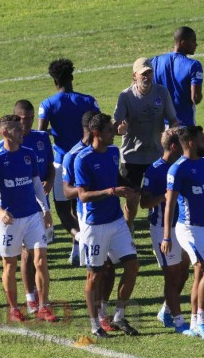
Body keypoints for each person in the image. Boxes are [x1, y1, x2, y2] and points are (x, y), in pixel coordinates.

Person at [0, 115, 58, 323]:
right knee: (10, 265)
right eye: (16, 129)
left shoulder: (29, 154)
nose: (22, 130)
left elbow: (36, 184)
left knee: (41, 260)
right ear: (5, 133)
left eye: (21, 127)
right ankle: (14, 308)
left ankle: (43, 306)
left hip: (33, 216)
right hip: (10, 220)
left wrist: (45, 208)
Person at [75, 113, 139, 338]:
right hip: (95, 226)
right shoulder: (82, 159)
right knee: (94, 275)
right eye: (109, 131)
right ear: (96, 134)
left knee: (133, 266)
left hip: (116, 221)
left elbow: (116, 178)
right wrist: (112, 192)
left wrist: (132, 189)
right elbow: (83, 196)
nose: (114, 134)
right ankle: (95, 324)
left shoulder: (113, 152)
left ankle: (119, 315)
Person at [161, 126, 204, 342]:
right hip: (188, 228)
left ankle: (193, 322)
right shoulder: (177, 169)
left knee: (200, 275)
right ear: (190, 143)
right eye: (202, 138)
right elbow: (169, 203)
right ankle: (203, 322)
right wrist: (166, 236)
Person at [38, 58, 100, 264]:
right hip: (85, 160)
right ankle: (79, 249)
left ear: (54, 81)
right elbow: (99, 126)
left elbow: (40, 135)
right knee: (81, 204)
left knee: (63, 209)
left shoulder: (48, 104)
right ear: (71, 77)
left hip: (61, 161)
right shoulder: (89, 101)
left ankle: (78, 240)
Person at [62, 110, 116, 333]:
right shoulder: (73, 156)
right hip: (89, 219)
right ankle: (97, 317)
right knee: (98, 269)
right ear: (91, 130)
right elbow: (66, 192)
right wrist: (92, 190)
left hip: (110, 215)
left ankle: (103, 309)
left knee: (111, 266)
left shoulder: (108, 151)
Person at [114, 57, 178, 232]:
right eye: (143, 73)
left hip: (156, 155)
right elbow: (116, 126)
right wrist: (120, 129)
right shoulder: (126, 96)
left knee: (159, 196)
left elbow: (173, 119)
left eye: (149, 72)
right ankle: (129, 226)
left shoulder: (161, 92)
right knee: (133, 200)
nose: (147, 76)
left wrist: (173, 129)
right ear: (134, 75)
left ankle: (161, 230)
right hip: (131, 157)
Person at [140, 128, 193, 335]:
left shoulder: (183, 165)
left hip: (181, 226)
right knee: (172, 275)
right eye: (182, 144)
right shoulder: (154, 170)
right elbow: (144, 202)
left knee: (183, 273)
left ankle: (166, 309)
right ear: (173, 146)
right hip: (162, 228)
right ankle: (179, 321)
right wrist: (166, 196)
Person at [151, 26, 203, 126]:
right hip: (184, 126)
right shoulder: (194, 65)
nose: (196, 44)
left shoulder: (155, 61)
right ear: (183, 43)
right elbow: (196, 98)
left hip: (161, 127)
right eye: (193, 41)